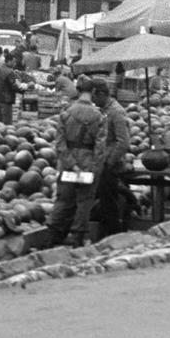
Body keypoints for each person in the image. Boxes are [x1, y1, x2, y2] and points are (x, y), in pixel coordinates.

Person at [46, 78, 105, 246]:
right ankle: (77, 238)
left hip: (67, 165)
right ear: (93, 92)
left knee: (63, 200)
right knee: (84, 202)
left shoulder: (66, 114)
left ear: (78, 91)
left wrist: (72, 164)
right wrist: (93, 168)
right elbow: (100, 148)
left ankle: (52, 237)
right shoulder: (99, 116)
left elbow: (59, 144)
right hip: (88, 165)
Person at [92, 80, 133, 238]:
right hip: (102, 162)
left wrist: (109, 162)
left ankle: (114, 235)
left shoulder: (116, 111)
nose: (93, 100)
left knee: (110, 203)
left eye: (95, 96)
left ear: (102, 94)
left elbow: (123, 142)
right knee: (106, 200)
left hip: (110, 165)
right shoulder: (104, 110)